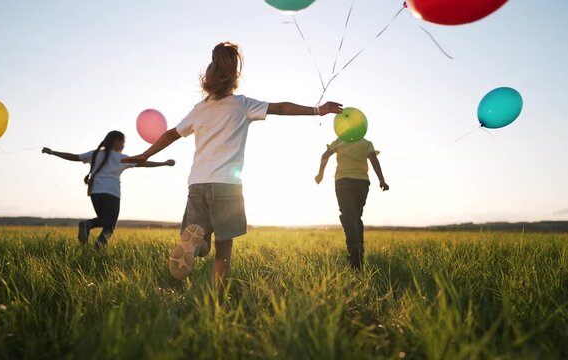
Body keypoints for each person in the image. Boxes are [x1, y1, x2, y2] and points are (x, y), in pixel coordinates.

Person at [122, 41, 343, 290]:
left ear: (208, 77)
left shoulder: (199, 110)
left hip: (198, 184)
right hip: (227, 185)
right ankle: (217, 297)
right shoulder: (243, 105)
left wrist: (145, 154)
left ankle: (194, 244)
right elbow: (280, 108)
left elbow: (172, 134)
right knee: (223, 248)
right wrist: (317, 110)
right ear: (234, 77)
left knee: (201, 240)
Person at [42, 130, 175, 248]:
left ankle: (92, 248)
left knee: (105, 222)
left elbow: (74, 157)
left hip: (95, 193)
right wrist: (164, 163)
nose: (124, 145)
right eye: (123, 142)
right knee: (109, 226)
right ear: (116, 141)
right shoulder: (121, 158)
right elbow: (144, 163)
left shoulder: (94, 154)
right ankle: (89, 229)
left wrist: (53, 152)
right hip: (111, 193)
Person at [314, 138, 389, 270]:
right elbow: (374, 160)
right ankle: (358, 251)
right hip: (362, 182)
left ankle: (354, 249)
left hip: (343, 182)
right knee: (356, 217)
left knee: (348, 216)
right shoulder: (366, 143)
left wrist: (320, 174)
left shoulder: (339, 141)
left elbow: (325, 155)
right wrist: (381, 180)